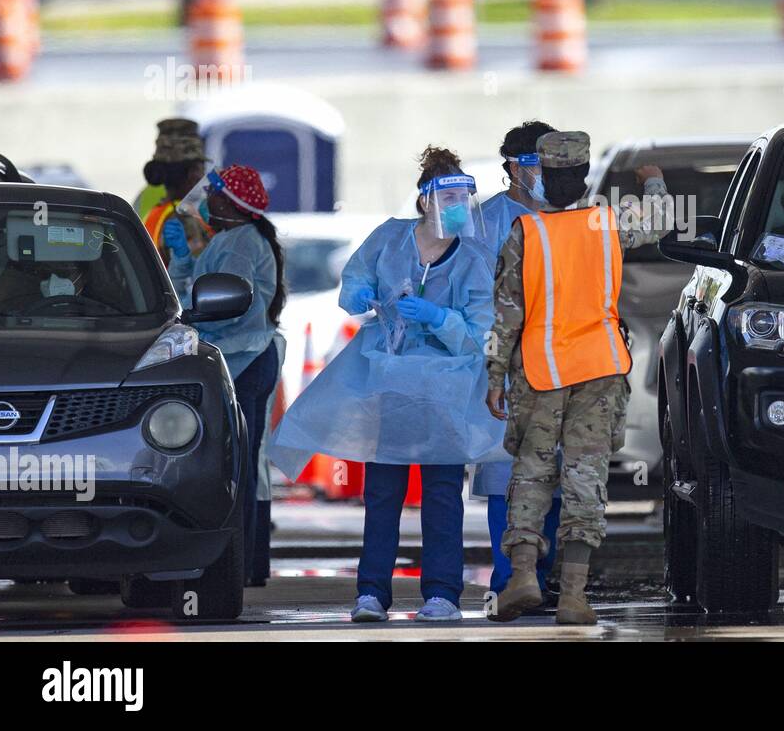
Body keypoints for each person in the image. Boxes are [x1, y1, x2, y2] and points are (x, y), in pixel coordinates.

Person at [269, 146, 503, 623]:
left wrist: (439, 317)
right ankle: (372, 593)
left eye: (464, 198)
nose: (458, 208)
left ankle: (443, 594)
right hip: (391, 385)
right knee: (383, 492)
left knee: (441, 494)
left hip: (444, 391)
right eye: (449, 197)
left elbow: (481, 332)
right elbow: (354, 282)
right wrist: (363, 295)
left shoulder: (473, 258)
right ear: (424, 202)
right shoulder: (390, 239)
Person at [485, 130, 668, 625]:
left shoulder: (525, 233)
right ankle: (573, 595)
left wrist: (494, 376)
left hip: (540, 373)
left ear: (542, 176)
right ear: (585, 177)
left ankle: (523, 575)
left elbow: (505, 315)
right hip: (600, 371)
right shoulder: (606, 224)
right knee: (585, 479)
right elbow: (660, 222)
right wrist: (652, 182)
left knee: (530, 474)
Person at [165, 165, 284, 587]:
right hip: (248, 356)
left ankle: (244, 564)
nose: (205, 200)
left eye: (213, 193)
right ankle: (247, 563)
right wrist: (183, 261)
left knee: (240, 469)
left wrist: (195, 326)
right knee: (245, 465)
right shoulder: (234, 240)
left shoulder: (237, 245)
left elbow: (228, 309)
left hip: (244, 359)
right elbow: (201, 288)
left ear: (228, 203)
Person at [473, 120, 563, 601]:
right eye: (535, 164)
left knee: (554, 475)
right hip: (508, 364)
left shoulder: (566, 215)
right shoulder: (487, 221)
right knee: (504, 477)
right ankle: (509, 581)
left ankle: (541, 579)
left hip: (561, 363)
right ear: (512, 166)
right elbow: (480, 300)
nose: (545, 173)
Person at [140, 118, 212, 267]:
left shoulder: (156, 212)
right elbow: (197, 275)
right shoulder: (184, 217)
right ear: (193, 173)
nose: (204, 175)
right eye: (201, 168)